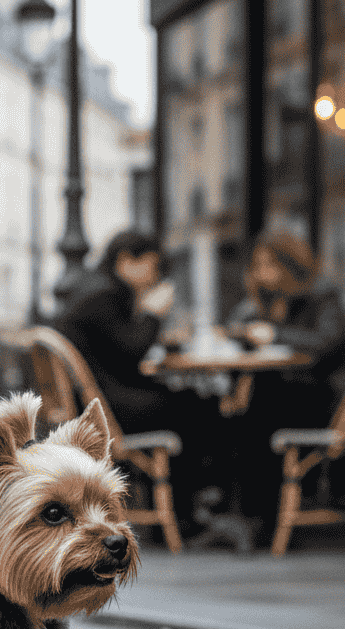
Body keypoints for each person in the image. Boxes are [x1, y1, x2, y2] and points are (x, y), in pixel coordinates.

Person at [57, 229, 229, 535]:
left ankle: (189, 509)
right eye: (152, 266)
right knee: (197, 408)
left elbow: (123, 354)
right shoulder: (104, 296)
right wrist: (152, 314)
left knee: (193, 401)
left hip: (100, 401)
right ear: (126, 262)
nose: (156, 276)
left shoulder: (97, 292)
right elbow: (131, 351)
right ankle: (189, 514)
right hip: (103, 411)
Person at [227, 229, 345, 535]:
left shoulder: (322, 296)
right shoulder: (272, 302)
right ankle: (251, 515)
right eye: (257, 266)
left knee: (259, 410)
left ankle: (258, 518)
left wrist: (274, 334)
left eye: (269, 265)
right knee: (245, 413)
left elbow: (325, 343)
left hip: (329, 400)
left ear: (289, 265)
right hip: (295, 393)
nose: (262, 274)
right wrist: (245, 331)